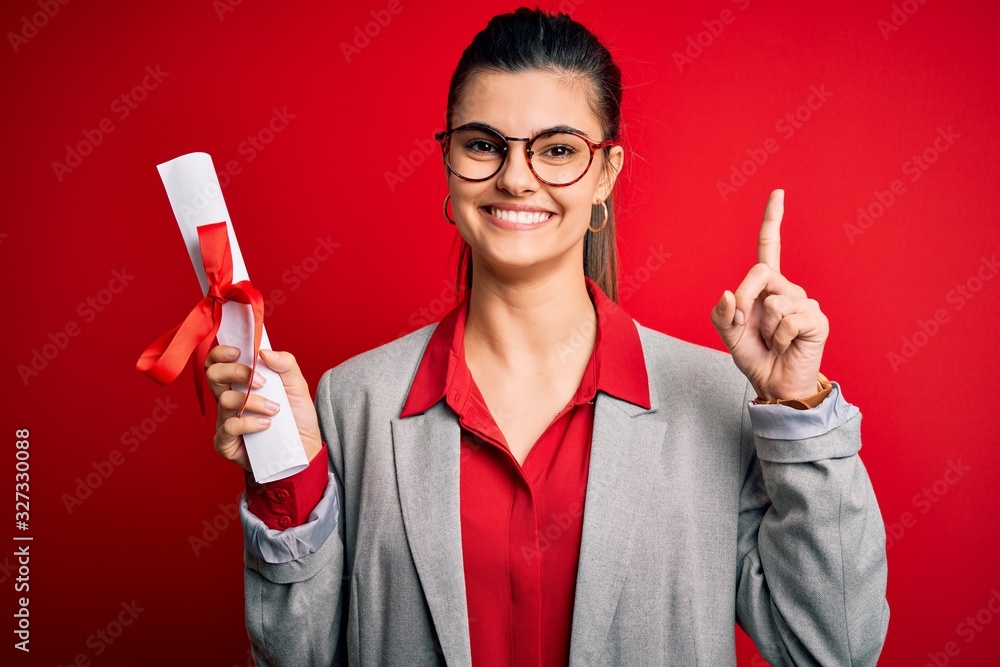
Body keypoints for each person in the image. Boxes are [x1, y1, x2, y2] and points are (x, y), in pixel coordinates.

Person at [204, 8, 888, 666]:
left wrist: (800, 406)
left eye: (558, 150)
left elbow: (835, 647)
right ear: (448, 163)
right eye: (482, 145)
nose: (516, 176)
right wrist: (285, 470)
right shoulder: (352, 401)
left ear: (606, 175)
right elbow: (297, 655)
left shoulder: (718, 401)